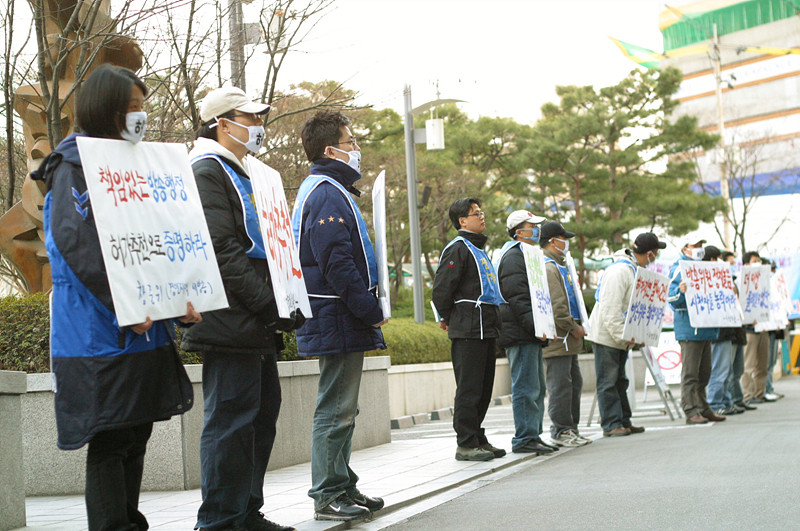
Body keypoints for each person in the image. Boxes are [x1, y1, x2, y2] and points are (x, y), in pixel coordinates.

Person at [32, 64, 198, 531]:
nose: (141, 116)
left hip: (142, 332)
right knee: (110, 438)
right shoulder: (72, 167)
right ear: (105, 109)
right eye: (132, 107)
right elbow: (75, 247)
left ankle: (130, 522)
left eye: (144, 106)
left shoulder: (140, 166)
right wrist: (125, 303)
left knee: (136, 433)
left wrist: (179, 300)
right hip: (98, 335)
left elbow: (164, 240)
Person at [182, 86, 302, 531]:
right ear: (221, 123)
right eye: (248, 118)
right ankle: (218, 519)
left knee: (260, 416)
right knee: (231, 421)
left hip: (253, 314)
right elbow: (223, 250)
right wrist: (271, 305)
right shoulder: (207, 169)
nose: (258, 126)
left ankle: (246, 511)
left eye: (258, 117)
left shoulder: (246, 172)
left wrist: (285, 301)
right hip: (229, 313)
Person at [290, 111, 387, 522]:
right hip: (337, 313)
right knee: (335, 407)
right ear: (330, 150)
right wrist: (370, 309)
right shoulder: (327, 194)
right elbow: (337, 264)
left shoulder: (328, 189)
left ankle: (342, 483)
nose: (357, 150)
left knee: (345, 406)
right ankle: (328, 492)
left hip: (338, 314)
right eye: (351, 143)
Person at [432, 197, 506, 462]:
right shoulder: (458, 249)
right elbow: (442, 290)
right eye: (476, 213)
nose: (482, 216)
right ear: (462, 221)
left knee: (484, 388)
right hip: (468, 329)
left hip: (486, 328)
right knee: (469, 388)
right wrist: (450, 317)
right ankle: (465, 442)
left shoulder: (479, 249)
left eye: (481, 212)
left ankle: (477, 437)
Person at [588, 233, 665, 437]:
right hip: (608, 336)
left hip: (620, 336)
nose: (655, 257)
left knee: (620, 381)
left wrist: (635, 335)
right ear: (649, 253)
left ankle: (623, 420)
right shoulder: (620, 271)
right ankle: (612, 424)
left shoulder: (632, 270)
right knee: (608, 381)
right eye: (656, 253)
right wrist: (624, 336)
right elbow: (610, 310)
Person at [496, 210, 559, 455]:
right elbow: (518, 298)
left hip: (529, 332)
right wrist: (537, 327)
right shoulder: (513, 257)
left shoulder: (528, 255)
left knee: (537, 387)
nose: (536, 230)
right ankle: (524, 437)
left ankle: (533, 434)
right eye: (531, 225)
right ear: (517, 231)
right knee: (525, 386)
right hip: (520, 332)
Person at [540, 222, 590, 447]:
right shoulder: (549, 266)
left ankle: (571, 428)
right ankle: (561, 430)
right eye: (563, 238)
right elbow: (558, 306)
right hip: (559, 338)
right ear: (552, 240)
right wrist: (573, 327)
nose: (566, 242)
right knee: (560, 386)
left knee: (573, 383)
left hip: (568, 339)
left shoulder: (559, 264)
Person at [667, 239, 725, 424]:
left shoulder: (705, 268)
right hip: (690, 329)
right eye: (695, 246)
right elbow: (670, 296)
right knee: (691, 373)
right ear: (685, 248)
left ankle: (702, 407)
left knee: (704, 372)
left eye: (701, 246)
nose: (699, 250)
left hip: (706, 328)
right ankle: (691, 409)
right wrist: (681, 291)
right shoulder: (680, 267)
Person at [720, 250, 754, 413]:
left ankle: (737, 399)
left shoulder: (734, 282)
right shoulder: (719, 282)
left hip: (739, 331)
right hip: (728, 333)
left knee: (738, 369)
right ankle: (727, 401)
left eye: (734, 263)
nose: (733, 266)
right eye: (730, 263)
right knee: (727, 371)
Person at [739, 251, 774, 405]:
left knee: (762, 365)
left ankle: (760, 392)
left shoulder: (765, 282)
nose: (758, 263)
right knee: (749, 364)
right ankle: (747, 394)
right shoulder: (741, 281)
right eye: (755, 261)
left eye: (759, 260)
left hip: (764, 328)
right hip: (750, 330)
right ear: (746, 264)